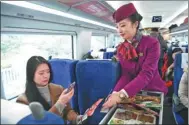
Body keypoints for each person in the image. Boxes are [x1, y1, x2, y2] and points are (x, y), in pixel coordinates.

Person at [102, 3, 168, 109]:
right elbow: (126, 75)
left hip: (152, 93)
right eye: (117, 27)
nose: (119, 30)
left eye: (123, 25)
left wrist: (121, 94)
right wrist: (114, 93)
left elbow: (146, 74)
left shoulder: (152, 43)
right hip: (132, 94)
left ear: (135, 24)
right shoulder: (121, 49)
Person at [16, 56, 82, 124]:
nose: (46, 76)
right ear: (31, 75)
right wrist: (61, 103)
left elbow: (67, 111)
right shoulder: (22, 101)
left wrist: (78, 118)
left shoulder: (58, 89)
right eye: (41, 73)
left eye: (48, 72)